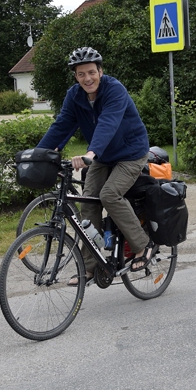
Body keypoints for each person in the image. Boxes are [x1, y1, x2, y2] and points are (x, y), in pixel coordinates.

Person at [36, 47, 155, 285]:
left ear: (100, 71)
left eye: (91, 72)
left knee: (110, 195)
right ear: (75, 77)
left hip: (130, 152)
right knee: (88, 201)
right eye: (81, 74)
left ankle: (143, 246)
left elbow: (108, 123)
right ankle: (90, 267)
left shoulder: (114, 90)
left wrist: (91, 152)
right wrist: (39, 154)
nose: (87, 78)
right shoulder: (75, 96)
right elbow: (62, 126)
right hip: (103, 155)